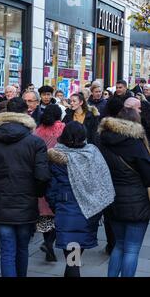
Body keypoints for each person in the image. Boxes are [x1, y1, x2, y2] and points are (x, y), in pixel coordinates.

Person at [0, 97, 51, 277]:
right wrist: (36, 192)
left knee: (7, 251)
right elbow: (42, 176)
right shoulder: (36, 142)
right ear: (26, 113)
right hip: (26, 201)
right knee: (22, 249)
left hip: (2, 202)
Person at [46, 121, 115, 277]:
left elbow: (50, 188)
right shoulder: (92, 153)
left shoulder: (56, 157)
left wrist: (56, 206)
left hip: (67, 212)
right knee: (74, 259)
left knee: (73, 261)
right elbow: (102, 181)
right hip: (89, 213)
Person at [97, 108, 150, 277]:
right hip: (137, 203)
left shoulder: (102, 141)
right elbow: (148, 176)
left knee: (119, 245)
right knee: (132, 249)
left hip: (112, 200)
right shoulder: (136, 143)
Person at [34, 104, 66, 262]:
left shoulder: (37, 130)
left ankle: (47, 242)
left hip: (41, 175)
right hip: (58, 174)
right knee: (59, 211)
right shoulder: (62, 128)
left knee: (45, 213)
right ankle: (50, 242)